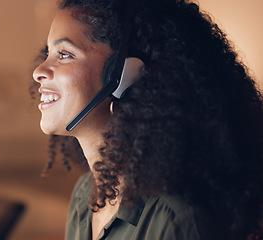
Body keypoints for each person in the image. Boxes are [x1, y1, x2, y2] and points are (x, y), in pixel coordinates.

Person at [32, 0, 263, 239]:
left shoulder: (179, 221)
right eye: (48, 53)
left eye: (65, 54)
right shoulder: (83, 197)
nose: (38, 71)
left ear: (125, 77)